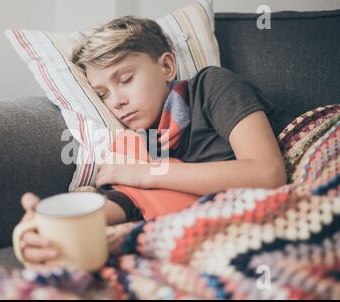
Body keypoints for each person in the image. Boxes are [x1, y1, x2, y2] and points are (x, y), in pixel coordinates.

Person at [16, 16, 286, 267]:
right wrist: (46, 229)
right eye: (102, 95)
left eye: (126, 79)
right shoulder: (140, 146)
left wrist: (147, 174)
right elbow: (122, 204)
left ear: (167, 66)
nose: (116, 101)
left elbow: (267, 172)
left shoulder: (210, 87)